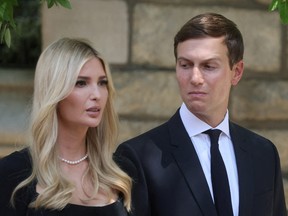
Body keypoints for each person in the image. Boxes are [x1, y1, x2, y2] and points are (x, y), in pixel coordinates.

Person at [115, 12, 287, 216]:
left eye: (208, 66)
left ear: (237, 71)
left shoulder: (264, 154)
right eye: (185, 65)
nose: (195, 78)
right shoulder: (137, 157)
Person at [0, 38, 132, 215]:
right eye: (81, 83)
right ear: (54, 92)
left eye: (102, 83)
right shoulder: (13, 173)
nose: (97, 94)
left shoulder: (121, 173)